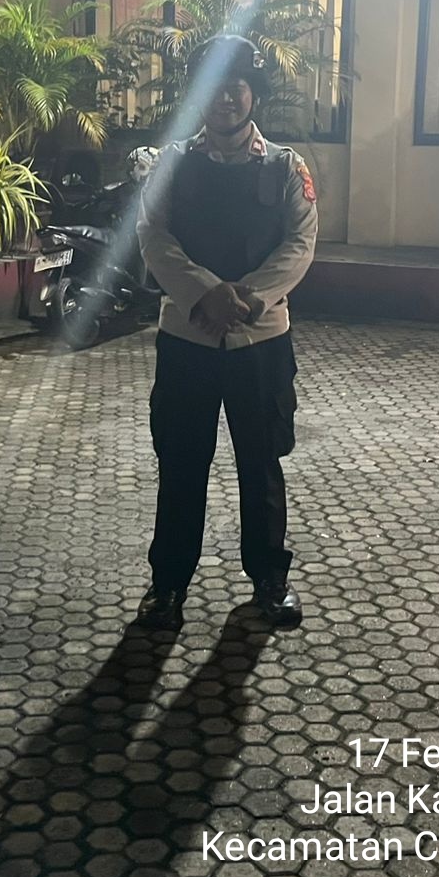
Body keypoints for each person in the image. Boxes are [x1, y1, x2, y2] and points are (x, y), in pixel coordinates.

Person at [134, 34, 319, 631]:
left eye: (237, 86)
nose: (226, 98)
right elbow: (153, 236)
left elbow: (300, 243)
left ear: (253, 93)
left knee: (261, 466)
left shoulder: (286, 167)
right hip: (188, 340)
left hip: (259, 341)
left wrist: (247, 298)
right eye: (214, 87)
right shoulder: (171, 164)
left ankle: (270, 579)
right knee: (181, 465)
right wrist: (204, 292)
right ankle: (167, 585)